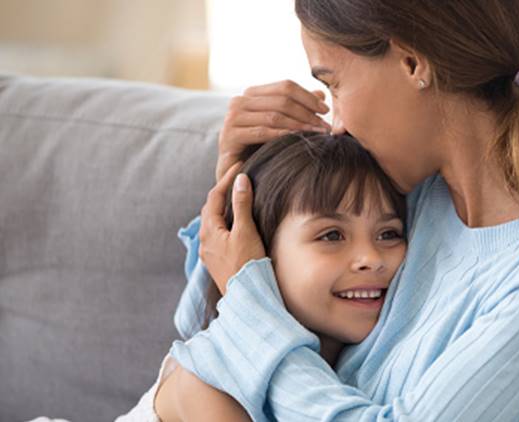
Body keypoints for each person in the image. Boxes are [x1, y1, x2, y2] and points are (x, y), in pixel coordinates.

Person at [161, 1, 519, 420]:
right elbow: (200, 339)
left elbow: (227, 353)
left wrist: (249, 302)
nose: (337, 123)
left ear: (410, 61)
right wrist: (241, 189)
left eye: (334, 82)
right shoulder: (409, 204)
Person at [116, 132, 408, 421]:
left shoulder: (366, 372)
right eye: (332, 235)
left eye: (388, 234)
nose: (371, 258)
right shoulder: (210, 382)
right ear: (257, 253)